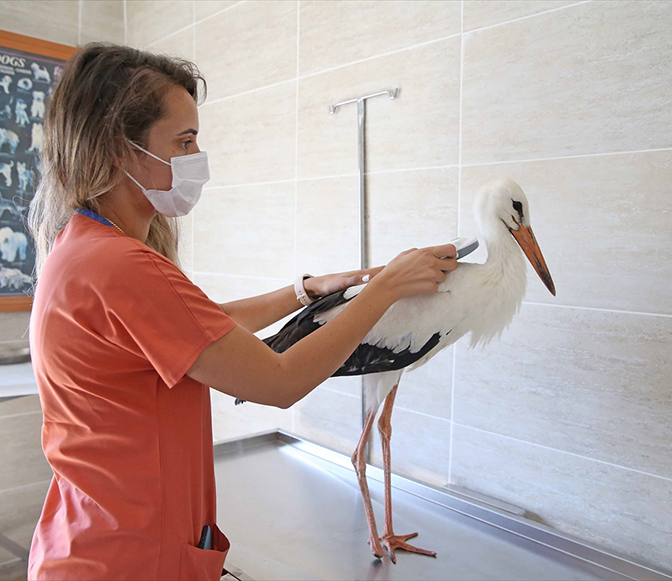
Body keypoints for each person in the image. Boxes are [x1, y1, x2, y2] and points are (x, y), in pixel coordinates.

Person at [25, 42, 459, 581]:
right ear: (120, 149)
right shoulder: (122, 265)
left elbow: (196, 327)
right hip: (126, 560)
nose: (196, 159)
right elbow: (280, 381)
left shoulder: (83, 248)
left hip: (90, 539)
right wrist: (386, 288)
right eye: (184, 142)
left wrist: (304, 291)